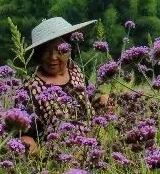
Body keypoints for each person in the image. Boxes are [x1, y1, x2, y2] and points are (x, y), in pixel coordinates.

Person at [18, 16, 112, 153]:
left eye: (59, 50)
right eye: (46, 51)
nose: (53, 57)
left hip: (92, 151)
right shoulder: (30, 88)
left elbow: (88, 103)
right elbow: (25, 135)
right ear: (37, 54)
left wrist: (102, 101)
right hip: (57, 159)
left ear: (70, 49)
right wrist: (39, 158)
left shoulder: (77, 72)